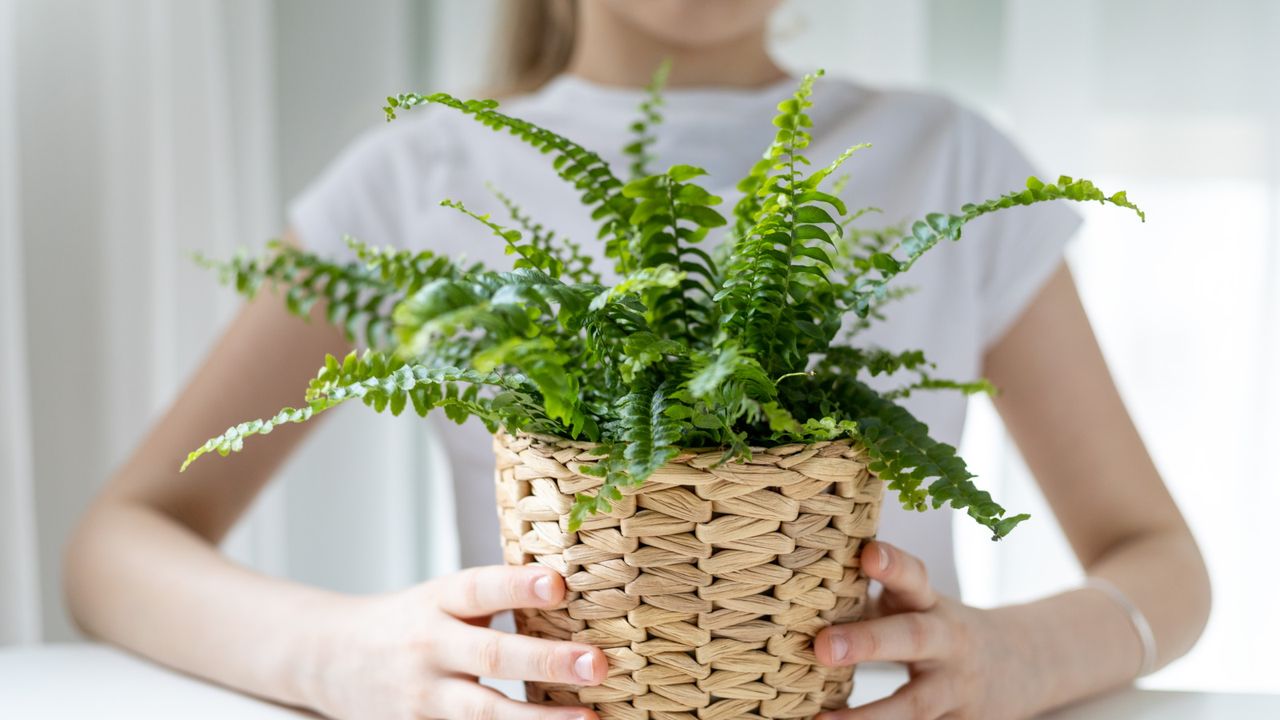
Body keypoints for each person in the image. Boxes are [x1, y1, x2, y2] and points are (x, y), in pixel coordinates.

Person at [64, 1, 1210, 719]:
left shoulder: (945, 158)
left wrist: (1021, 658)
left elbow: (1159, 561)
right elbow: (115, 548)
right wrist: (342, 659)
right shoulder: (418, 175)